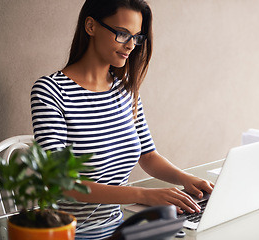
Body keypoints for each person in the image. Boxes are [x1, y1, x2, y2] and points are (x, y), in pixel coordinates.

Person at [31, 0, 214, 239]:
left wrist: (184, 178)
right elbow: (61, 182)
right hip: (70, 233)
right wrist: (143, 195)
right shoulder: (51, 91)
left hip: (117, 229)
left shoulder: (125, 90)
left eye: (136, 37)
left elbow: (147, 155)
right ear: (90, 26)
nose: (131, 46)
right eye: (122, 34)